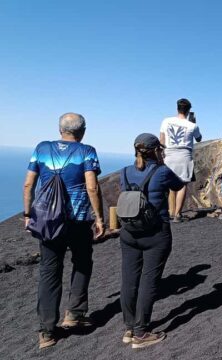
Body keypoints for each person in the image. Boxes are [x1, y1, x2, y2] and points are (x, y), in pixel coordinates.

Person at [22, 113, 105, 349]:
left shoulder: (42, 148)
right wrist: (99, 218)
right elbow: (92, 186)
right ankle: (75, 315)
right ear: (83, 130)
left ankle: (46, 332)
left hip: (47, 221)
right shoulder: (87, 151)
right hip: (77, 220)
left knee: (49, 270)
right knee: (81, 263)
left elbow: (29, 183)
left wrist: (28, 215)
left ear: (60, 129)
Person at [118, 133, 184, 349]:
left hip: (128, 233)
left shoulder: (125, 172)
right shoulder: (162, 170)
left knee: (129, 278)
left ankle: (129, 328)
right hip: (156, 233)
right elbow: (178, 186)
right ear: (156, 150)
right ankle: (141, 332)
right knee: (149, 280)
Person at [159, 98, 202, 222]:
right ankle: (177, 214)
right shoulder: (192, 125)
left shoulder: (166, 121)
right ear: (189, 110)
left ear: (177, 108)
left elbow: (161, 140)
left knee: (165, 185)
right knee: (182, 185)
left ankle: (164, 213)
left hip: (169, 155)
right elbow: (198, 138)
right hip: (184, 155)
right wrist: (193, 123)